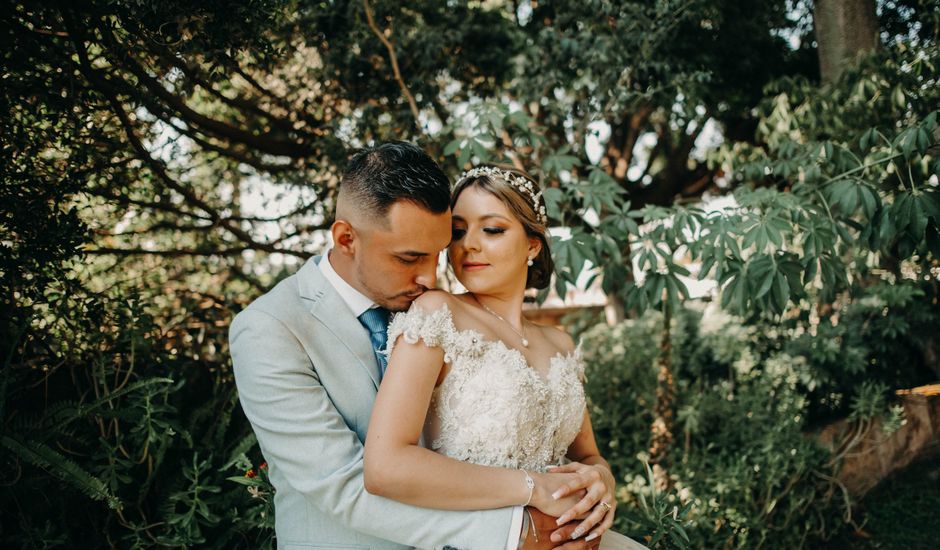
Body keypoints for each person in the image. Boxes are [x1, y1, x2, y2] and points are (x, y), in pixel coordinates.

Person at [230, 142, 597, 549]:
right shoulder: (270, 328)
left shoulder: (432, 310)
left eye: (438, 255)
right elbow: (344, 487)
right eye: (409, 258)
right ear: (346, 238)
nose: (429, 277)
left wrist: (597, 482)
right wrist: (517, 530)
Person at [363, 165, 647, 549]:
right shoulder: (437, 315)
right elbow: (385, 467)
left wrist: (602, 482)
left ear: (533, 244)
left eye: (492, 229)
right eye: (458, 232)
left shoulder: (560, 343)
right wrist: (533, 488)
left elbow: (589, 455)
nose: (469, 245)